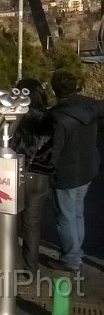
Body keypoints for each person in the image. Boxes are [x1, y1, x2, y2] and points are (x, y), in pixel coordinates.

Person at [47, 69, 103, 272]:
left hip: (67, 174)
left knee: (66, 216)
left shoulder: (56, 117)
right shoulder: (91, 106)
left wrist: (47, 170)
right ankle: (76, 253)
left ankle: (71, 259)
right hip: (88, 168)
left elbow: (54, 151)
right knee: (77, 213)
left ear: (55, 90)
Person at [10, 78, 53, 272]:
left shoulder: (15, 117)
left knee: (11, 223)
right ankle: (31, 266)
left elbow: (1, 145)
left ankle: (13, 263)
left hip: (16, 173)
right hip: (40, 176)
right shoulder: (49, 118)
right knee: (32, 224)